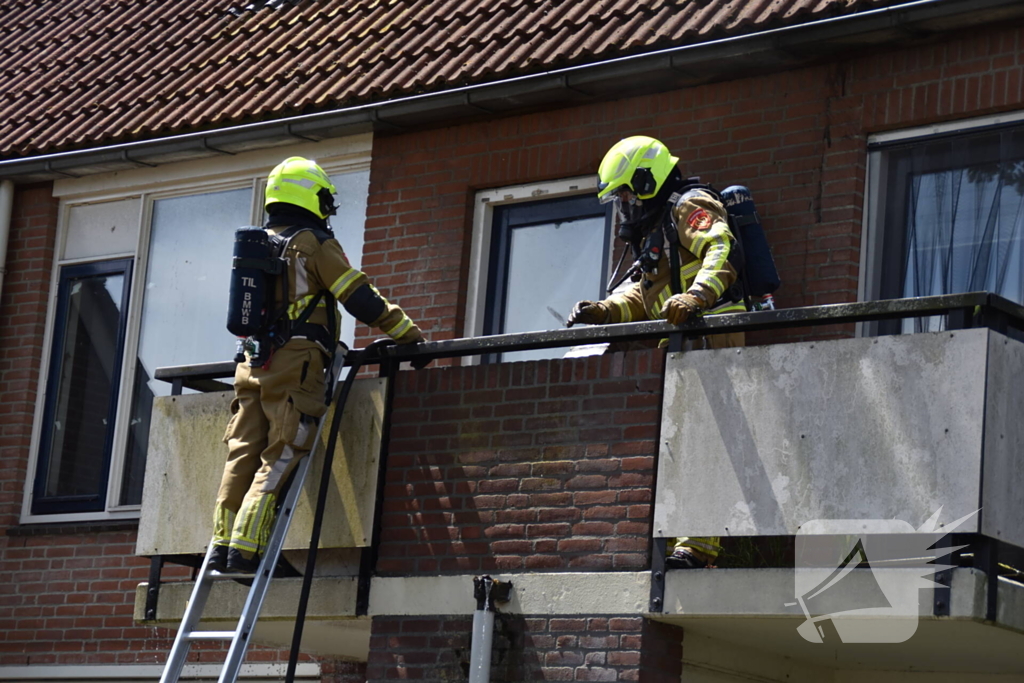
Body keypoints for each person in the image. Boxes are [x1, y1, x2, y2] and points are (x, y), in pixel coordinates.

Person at [211, 156, 425, 573]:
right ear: (312, 197)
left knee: (242, 453)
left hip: (251, 362)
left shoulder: (259, 244)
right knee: (283, 450)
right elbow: (359, 297)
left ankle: (221, 544)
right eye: (326, 199)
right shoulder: (312, 243)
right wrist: (408, 334)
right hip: (295, 365)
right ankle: (246, 549)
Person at [567, 135, 745, 569]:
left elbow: (721, 247)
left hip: (714, 332)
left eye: (626, 193)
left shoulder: (689, 206)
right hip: (682, 339)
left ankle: (698, 547)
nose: (625, 205)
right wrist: (603, 310)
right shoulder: (656, 228)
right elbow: (646, 295)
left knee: (706, 436)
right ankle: (680, 540)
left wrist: (696, 297)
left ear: (647, 180)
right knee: (679, 439)